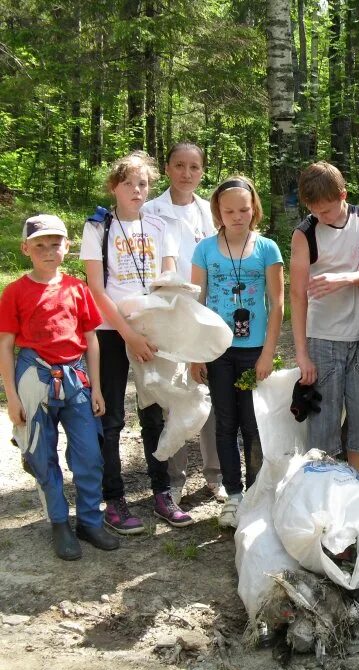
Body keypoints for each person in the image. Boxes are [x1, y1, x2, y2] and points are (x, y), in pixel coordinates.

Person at [81, 151, 193, 533]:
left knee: (156, 411)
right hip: (112, 331)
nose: (136, 190)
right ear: (114, 187)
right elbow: (96, 289)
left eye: (143, 183)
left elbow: (166, 275)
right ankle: (113, 500)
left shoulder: (161, 226)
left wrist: (153, 325)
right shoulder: (98, 227)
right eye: (128, 183)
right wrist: (129, 334)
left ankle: (161, 493)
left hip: (152, 329)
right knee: (111, 417)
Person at [0, 215, 120, 560]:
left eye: (56, 244)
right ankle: (58, 522)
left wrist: (96, 388)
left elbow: (90, 340)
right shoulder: (15, 292)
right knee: (41, 453)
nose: (48, 251)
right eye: (39, 245)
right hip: (34, 377)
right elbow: (6, 344)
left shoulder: (76, 289)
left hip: (76, 378)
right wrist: (12, 396)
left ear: (67, 248)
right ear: (26, 249)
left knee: (89, 453)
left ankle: (89, 520)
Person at [190, 176, 284, 528]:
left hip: (252, 350)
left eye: (243, 209)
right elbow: (196, 303)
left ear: (254, 208)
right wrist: (195, 353)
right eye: (228, 210)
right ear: (218, 212)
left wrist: (267, 353)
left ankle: (257, 492)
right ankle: (233, 495)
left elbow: (276, 304)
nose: (237, 216)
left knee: (253, 424)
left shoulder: (267, 249)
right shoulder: (204, 249)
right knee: (225, 423)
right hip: (217, 351)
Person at [290, 162, 359, 473]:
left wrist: (344, 279)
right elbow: (297, 295)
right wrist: (302, 355)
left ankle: (355, 482)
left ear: (343, 195)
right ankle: (324, 483)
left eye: (327, 211)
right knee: (323, 418)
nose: (322, 217)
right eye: (315, 211)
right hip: (323, 337)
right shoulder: (305, 234)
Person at [143, 142, 225, 504]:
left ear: (202, 172)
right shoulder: (149, 211)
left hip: (204, 312)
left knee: (209, 394)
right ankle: (175, 478)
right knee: (172, 395)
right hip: (165, 316)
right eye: (179, 165)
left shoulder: (211, 212)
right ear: (167, 168)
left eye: (194, 167)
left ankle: (215, 475)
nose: (186, 173)